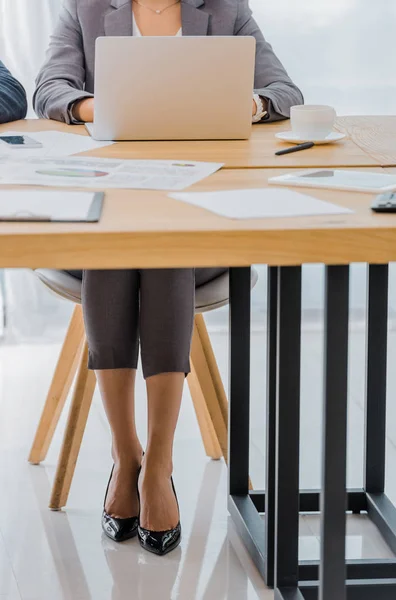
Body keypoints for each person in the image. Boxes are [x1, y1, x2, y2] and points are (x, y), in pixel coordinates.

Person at [34, 0, 303, 557]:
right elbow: (50, 88)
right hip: (106, 208)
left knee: (166, 248)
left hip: (198, 221)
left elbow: (285, 92)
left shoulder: (227, 11)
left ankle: (158, 463)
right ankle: (125, 454)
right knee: (117, 245)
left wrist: (246, 104)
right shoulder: (85, 9)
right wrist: (97, 107)